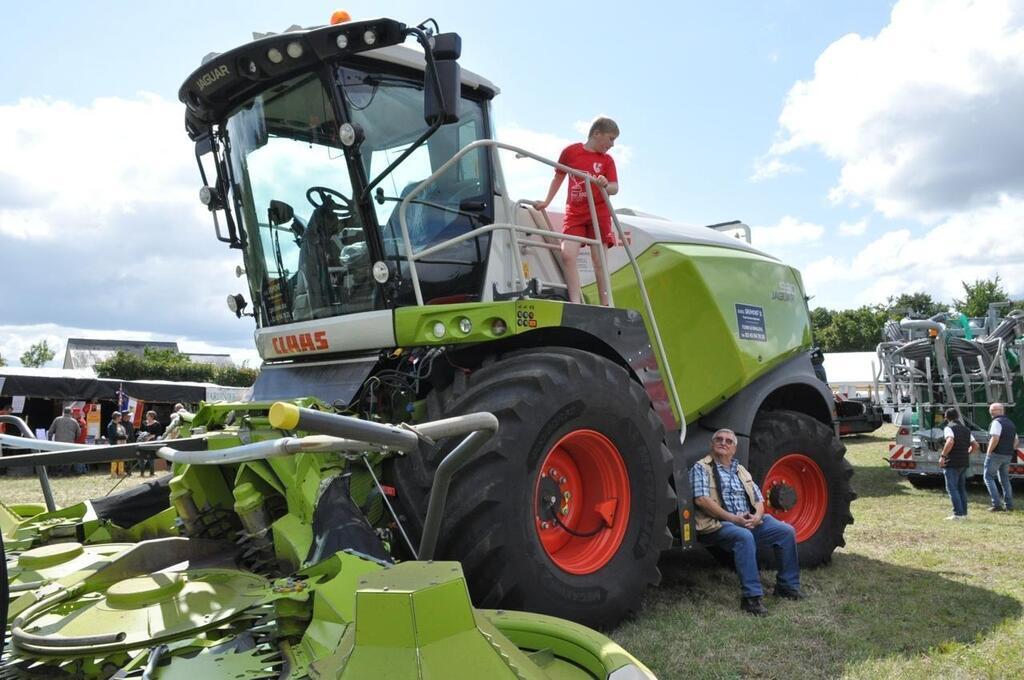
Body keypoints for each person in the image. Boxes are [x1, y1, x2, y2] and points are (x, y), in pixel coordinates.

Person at [690, 428, 802, 615]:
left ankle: (787, 586)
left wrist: (757, 516)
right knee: (743, 537)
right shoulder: (701, 468)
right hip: (718, 524)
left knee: (786, 531)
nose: (723, 443)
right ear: (712, 444)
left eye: (728, 441)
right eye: (719, 439)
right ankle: (752, 598)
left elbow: (758, 499)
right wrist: (733, 519)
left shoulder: (740, 470)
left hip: (747, 520)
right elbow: (701, 500)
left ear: (734, 448)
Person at [532, 116, 620, 306]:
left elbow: (614, 188)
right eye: (611, 139)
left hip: (599, 213)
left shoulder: (607, 160)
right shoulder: (570, 152)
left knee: (599, 260)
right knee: (567, 254)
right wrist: (547, 202)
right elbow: (558, 177)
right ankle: (575, 302)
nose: (612, 145)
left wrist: (605, 184)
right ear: (597, 133)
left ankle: (606, 303)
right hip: (575, 213)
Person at [940, 408, 978, 520]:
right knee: (961, 488)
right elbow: (976, 445)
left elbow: (950, 441)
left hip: (952, 462)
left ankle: (958, 514)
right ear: (957, 417)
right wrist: (967, 453)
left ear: (946, 418)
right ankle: (964, 513)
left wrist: (942, 456)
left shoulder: (948, 428)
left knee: (952, 488)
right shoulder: (966, 429)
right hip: (963, 462)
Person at [984, 402, 1018, 512]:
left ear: (999, 411)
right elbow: (1016, 440)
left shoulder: (996, 422)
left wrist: (989, 452)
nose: (991, 412)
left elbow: (995, 438)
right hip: (1007, 455)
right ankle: (1009, 505)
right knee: (1004, 480)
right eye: (990, 410)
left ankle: (996, 504)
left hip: (996, 454)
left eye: (993, 410)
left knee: (988, 477)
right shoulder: (1011, 423)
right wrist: (1010, 449)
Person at [136, 410, 165, 476]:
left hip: (152, 441)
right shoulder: (144, 423)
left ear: (152, 416)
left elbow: (159, 433)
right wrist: (143, 435)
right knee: (141, 456)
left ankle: (152, 472)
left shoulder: (157, 424)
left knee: (151, 457)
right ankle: (142, 472)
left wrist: (151, 436)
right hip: (143, 441)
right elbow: (139, 431)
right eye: (147, 415)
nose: (146, 416)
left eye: (148, 415)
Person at [106, 412, 128, 478]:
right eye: (119, 417)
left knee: (121, 458)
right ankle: (113, 474)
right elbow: (114, 436)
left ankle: (121, 473)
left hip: (120, 444)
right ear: (116, 417)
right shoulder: (111, 425)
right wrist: (124, 437)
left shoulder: (118, 424)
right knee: (114, 459)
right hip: (114, 444)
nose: (120, 418)